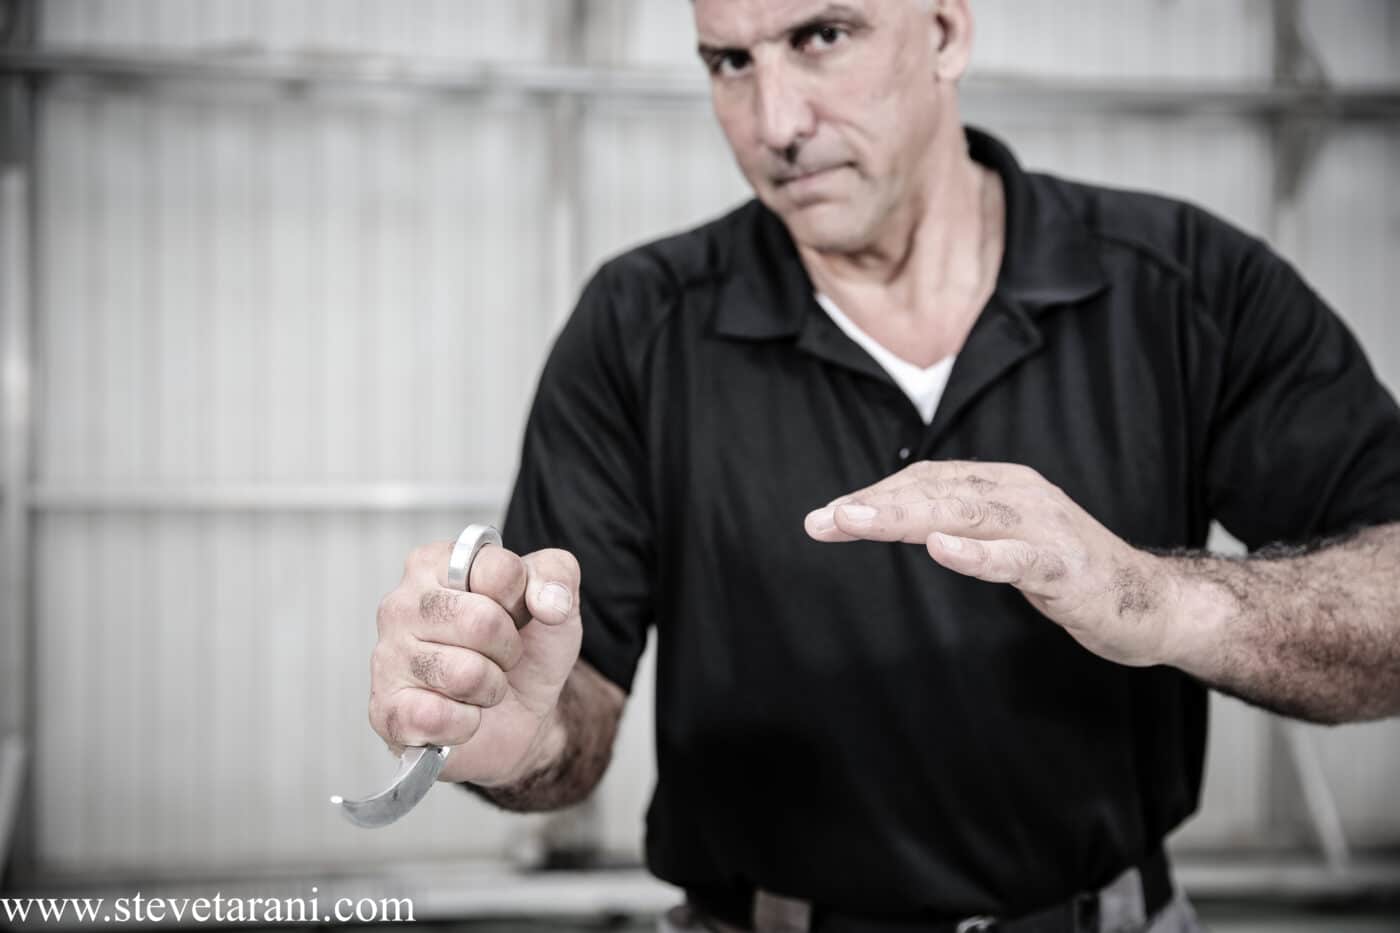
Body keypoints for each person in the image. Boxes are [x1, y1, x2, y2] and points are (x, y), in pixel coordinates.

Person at [367, 1, 1400, 930]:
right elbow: (571, 702)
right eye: (728, 61)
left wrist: (1163, 602)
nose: (773, 122)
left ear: (945, 32)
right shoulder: (638, 324)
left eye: (822, 36)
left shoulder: (1182, 290)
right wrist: (516, 738)